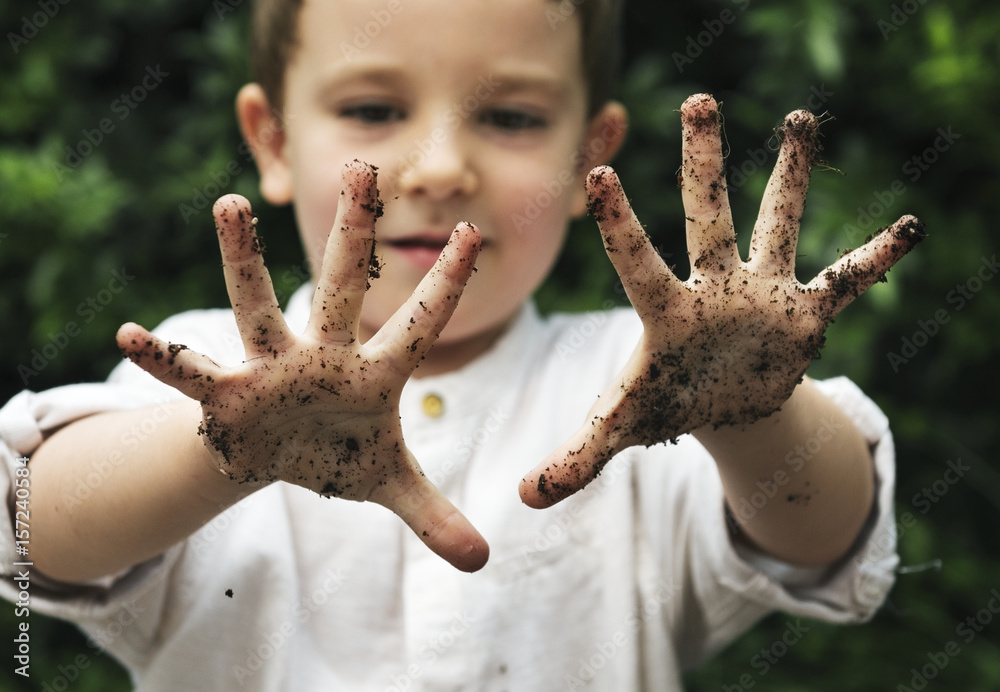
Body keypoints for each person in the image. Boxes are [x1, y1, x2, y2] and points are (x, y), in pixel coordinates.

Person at [0, 0, 924, 689]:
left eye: (512, 118)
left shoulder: (632, 389)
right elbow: (33, 526)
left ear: (585, 154)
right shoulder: (204, 377)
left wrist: (746, 409)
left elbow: (829, 539)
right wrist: (225, 450)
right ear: (271, 141)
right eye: (371, 108)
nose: (440, 167)